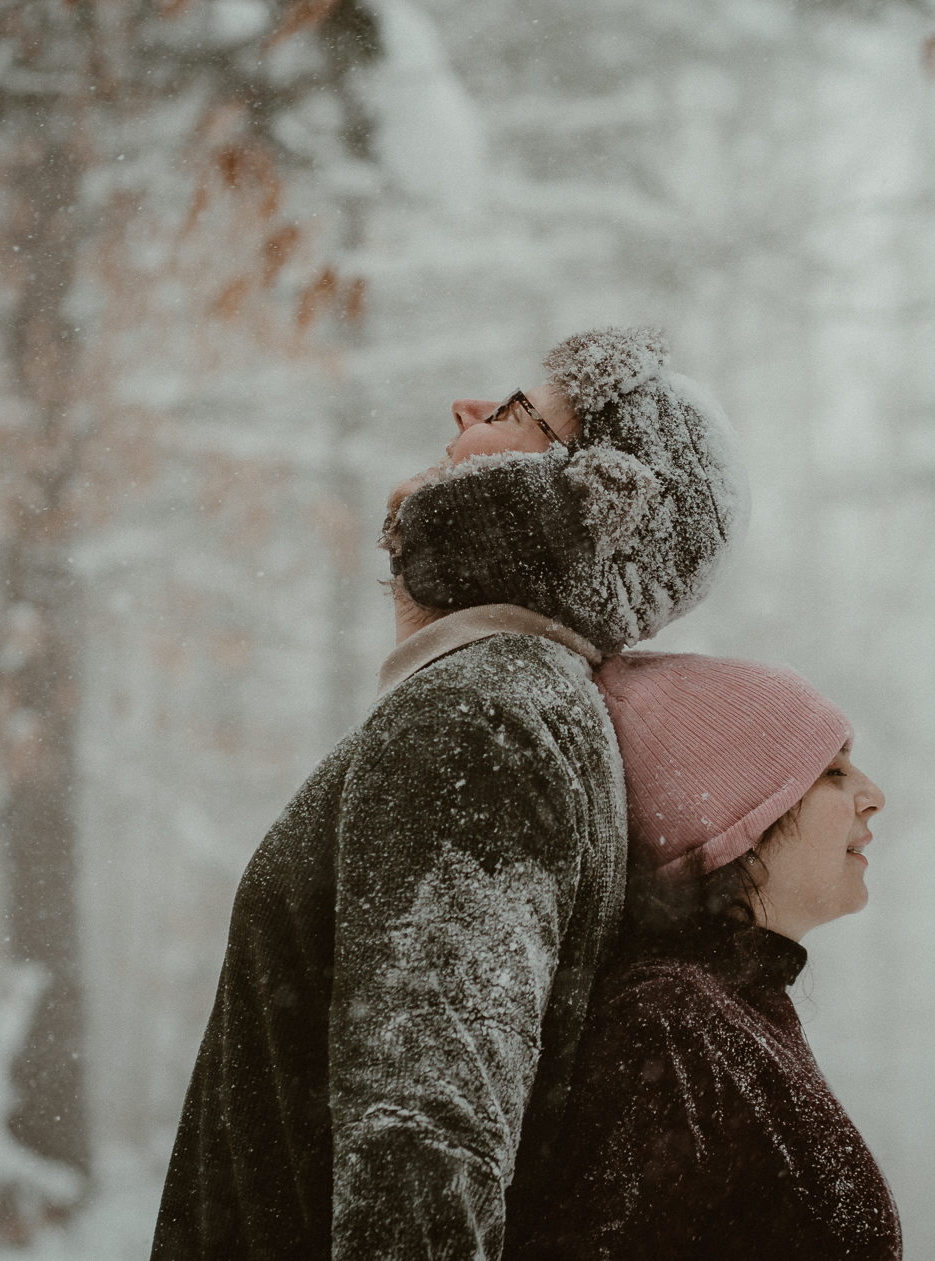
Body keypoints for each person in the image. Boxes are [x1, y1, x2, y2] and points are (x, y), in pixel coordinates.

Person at [150, 328, 747, 1260]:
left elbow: (424, 1149)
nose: (464, 408)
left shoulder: (486, 716)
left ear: (594, 497)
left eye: (517, 411)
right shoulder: (517, 699)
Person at [520, 653, 903, 1261]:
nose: (872, 794)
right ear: (736, 825)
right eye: (832, 771)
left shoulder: (724, 1014)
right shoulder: (666, 1025)